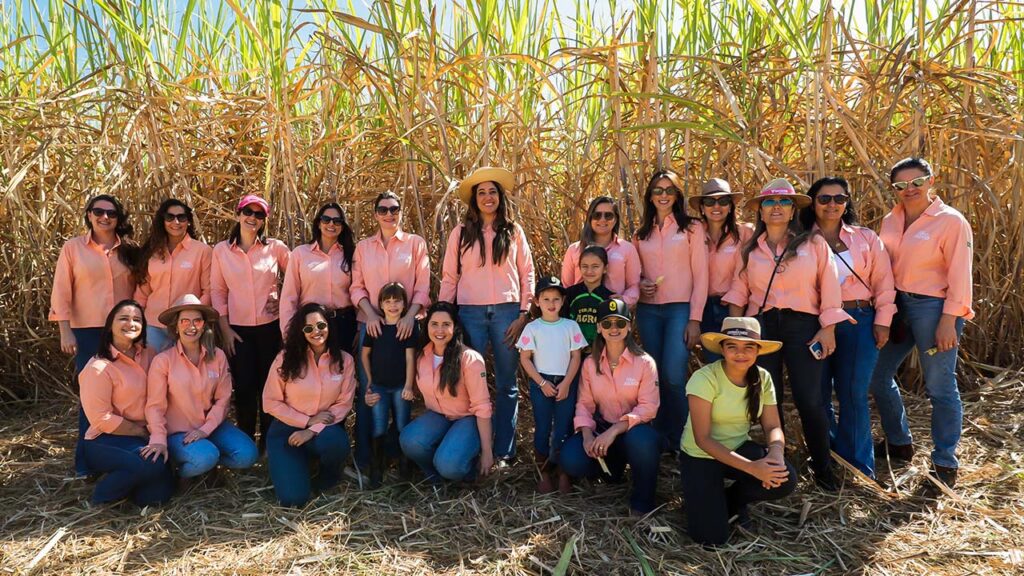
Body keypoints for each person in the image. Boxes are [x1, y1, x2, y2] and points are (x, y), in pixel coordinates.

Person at [723, 178, 849, 489]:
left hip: (803, 327)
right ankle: (776, 468)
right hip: (762, 328)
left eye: (783, 203)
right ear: (761, 212)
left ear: (793, 210)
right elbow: (739, 291)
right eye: (769, 202)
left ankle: (823, 470)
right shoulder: (750, 249)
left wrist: (828, 329)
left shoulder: (814, 244)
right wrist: (735, 333)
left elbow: (830, 288)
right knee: (769, 399)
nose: (776, 208)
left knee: (810, 400)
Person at [869, 158, 973, 487]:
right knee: (876, 375)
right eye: (901, 185)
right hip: (897, 306)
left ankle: (944, 461)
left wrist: (949, 319)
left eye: (917, 182)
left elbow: (960, 273)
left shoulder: (950, 221)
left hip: (933, 309)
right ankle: (899, 443)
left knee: (940, 386)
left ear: (931, 181)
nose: (909, 190)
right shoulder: (890, 220)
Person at [800, 177, 896, 479]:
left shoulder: (865, 238)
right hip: (814, 323)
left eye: (839, 199)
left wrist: (883, 322)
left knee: (853, 392)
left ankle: (858, 465)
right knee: (818, 394)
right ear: (812, 203)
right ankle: (827, 457)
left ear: (847, 202)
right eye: (824, 199)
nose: (832, 205)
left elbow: (884, 283)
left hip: (858, 320)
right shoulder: (799, 239)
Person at [439, 167, 535, 465]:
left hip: (508, 312)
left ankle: (504, 450)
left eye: (492, 191)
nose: (487, 197)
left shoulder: (514, 231)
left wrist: (524, 312)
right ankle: (475, 448)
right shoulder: (461, 233)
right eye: (481, 192)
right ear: (474, 200)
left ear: (500, 196)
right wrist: (443, 313)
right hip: (470, 313)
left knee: (507, 383)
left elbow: (527, 272)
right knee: (470, 382)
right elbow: (449, 277)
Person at [679, 317, 796, 547]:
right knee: (711, 539)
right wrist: (753, 468)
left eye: (748, 347)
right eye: (732, 346)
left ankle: (733, 499)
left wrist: (776, 453)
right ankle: (708, 498)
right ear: (722, 349)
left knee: (785, 478)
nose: (740, 353)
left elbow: (773, 426)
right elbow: (703, 439)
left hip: (738, 448)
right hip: (701, 456)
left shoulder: (762, 378)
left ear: (758, 350)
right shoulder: (704, 379)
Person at [50, 194, 140, 476]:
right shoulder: (73, 248)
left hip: (124, 331)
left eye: (111, 213)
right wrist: (65, 331)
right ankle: (86, 464)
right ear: (88, 215)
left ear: (118, 218)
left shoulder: (129, 250)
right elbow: (62, 290)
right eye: (98, 211)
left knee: (127, 396)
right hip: (88, 331)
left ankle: (122, 455)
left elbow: (141, 289)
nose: (105, 217)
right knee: (92, 399)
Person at [350, 191, 431, 471]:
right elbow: (356, 286)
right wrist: (371, 314)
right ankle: (367, 460)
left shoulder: (415, 244)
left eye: (394, 209)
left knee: (403, 392)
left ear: (400, 211)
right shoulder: (363, 247)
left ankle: (402, 458)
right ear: (375, 214)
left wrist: (410, 316)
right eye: (383, 209)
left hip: (406, 327)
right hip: (372, 327)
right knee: (370, 391)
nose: (388, 214)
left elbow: (422, 286)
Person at [559, 298, 661, 515]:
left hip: (633, 431)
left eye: (620, 323)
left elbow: (648, 408)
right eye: (607, 324)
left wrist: (615, 431)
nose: (613, 328)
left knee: (644, 442)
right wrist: (587, 436)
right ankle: (611, 471)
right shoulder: (590, 364)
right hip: (602, 428)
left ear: (629, 326)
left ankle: (643, 501)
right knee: (571, 458)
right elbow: (585, 404)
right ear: (598, 328)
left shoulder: (644, 363)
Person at [632, 169, 708, 451]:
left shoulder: (691, 228)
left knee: (674, 374)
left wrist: (695, 319)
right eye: (657, 190)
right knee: (654, 374)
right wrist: (641, 284)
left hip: (679, 309)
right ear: (650, 196)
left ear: (677, 195)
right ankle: (662, 436)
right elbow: (634, 273)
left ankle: (685, 438)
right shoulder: (641, 233)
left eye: (669, 190)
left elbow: (701, 276)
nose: (663, 196)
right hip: (649, 311)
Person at [144, 295, 258, 482]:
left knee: (247, 455)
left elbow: (223, 399)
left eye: (197, 320)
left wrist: (206, 430)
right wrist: (158, 438)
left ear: (204, 325)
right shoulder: (163, 361)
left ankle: (204, 459)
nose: (191, 326)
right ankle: (177, 472)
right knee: (205, 457)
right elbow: (155, 405)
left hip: (210, 427)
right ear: (176, 326)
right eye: (185, 321)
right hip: (177, 432)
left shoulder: (218, 356)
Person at [211, 194, 290, 451]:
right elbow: (218, 292)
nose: (252, 218)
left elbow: (297, 278)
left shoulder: (276, 247)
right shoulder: (222, 251)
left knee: (269, 385)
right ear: (238, 213)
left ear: (264, 220)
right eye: (248, 212)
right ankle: (246, 444)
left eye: (259, 215)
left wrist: (284, 300)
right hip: (237, 330)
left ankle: (269, 445)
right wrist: (224, 329)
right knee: (244, 387)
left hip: (270, 327)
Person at [79, 300, 174, 506]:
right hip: (107, 439)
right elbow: (101, 418)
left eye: (137, 320)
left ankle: (129, 481)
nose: (131, 324)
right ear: (110, 325)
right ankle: (102, 498)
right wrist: (141, 433)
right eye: (123, 318)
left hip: (143, 435)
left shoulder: (150, 354)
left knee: (156, 498)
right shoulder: (98, 368)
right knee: (152, 465)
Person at [263, 302, 357, 506]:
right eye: (309, 328)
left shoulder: (344, 361)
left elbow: (342, 405)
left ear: (329, 327)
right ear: (301, 331)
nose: (317, 332)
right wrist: (305, 420)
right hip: (286, 430)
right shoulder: (285, 359)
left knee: (336, 444)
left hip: (323, 428)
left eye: (321, 326)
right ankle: (296, 466)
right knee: (293, 499)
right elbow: (270, 402)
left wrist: (311, 429)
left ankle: (327, 477)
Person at [399, 302, 494, 484]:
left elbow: (482, 407)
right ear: (426, 326)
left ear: (455, 327)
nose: (439, 330)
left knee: (450, 465)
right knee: (409, 441)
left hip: (468, 418)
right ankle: (437, 477)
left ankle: (461, 470)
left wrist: (487, 451)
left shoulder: (470, 359)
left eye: (446, 324)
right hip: (439, 415)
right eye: (434, 324)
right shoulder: (422, 355)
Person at [517, 276, 586, 493]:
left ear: (563, 300)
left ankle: (563, 471)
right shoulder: (532, 328)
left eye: (556, 299)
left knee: (563, 428)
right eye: (545, 299)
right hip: (542, 383)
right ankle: (544, 471)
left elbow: (576, 357)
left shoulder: (571, 326)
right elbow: (525, 359)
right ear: (537, 301)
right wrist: (542, 382)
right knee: (543, 427)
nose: (551, 303)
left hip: (566, 382)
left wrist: (566, 383)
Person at [134, 199, 213, 352]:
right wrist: (137, 319)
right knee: (152, 371)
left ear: (189, 221)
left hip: (187, 327)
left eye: (181, 217)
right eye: (170, 217)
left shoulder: (202, 251)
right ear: (162, 221)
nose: (175, 222)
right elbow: (143, 291)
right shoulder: (152, 251)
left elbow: (208, 291)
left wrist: (193, 319)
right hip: (154, 325)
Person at [690, 179, 754, 363]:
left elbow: (743, 275)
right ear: (702, 207)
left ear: (731, 206)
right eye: (710, 202)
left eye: (723, 201)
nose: (716, 206)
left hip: (733, 307)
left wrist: (736, 317)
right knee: (714, 363)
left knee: (735, 362)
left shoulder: (744, 233)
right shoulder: (693, 233)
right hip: (702, 307)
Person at [280, 202, 357, 354]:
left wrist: (361, 328)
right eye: (326, 219)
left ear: (343, 226)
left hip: (344, 324)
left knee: (342, 372)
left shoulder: (352, 254)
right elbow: (289, 296)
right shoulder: (300, 254)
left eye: (337, 221)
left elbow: (358, 291)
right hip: (310, 326)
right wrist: (288, 332)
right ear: (318, 223)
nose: (331, 224)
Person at [361, 282, 418, 487]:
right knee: (379, 426)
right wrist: (369, 380)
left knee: (402, 425)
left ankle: (404, 467)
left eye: (397, 301)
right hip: (379, 386)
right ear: (381, 305)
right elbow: (365, 354)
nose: (393, 305)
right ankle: (377, 467)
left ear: (404, 304)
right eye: (388, 301)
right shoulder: (375, 327)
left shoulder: (407, 327)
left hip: (401, 386)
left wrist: (409, 386)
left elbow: (411, 358)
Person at [560, 196, 641, 305]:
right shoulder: (574, 250)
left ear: (615, 219)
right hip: (578, 314)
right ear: (590, 218)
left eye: (608, 215)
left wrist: (623, 300)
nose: (602, 219)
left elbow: (634, 285)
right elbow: (566, 286)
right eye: (597, 215)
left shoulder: (627, 249)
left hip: (612, 315)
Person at [562, 245, 614, 349]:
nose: (589, 271)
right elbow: (562, 322)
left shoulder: (609, 297)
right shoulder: (569, 294)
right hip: (571, 350)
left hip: (599, 351)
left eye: (595, 266)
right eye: (585, 266)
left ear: (605, 268)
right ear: (579, 267)